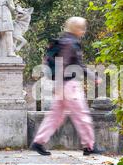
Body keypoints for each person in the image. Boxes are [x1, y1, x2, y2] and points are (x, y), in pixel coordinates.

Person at [30, 17, 105, 156]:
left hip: (63, 85)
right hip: (69, 86)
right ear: (76, 29)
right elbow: (62, 64)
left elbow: (77, 65)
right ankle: (89, 146)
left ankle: (38, 142)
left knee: (55, 116)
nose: (84, 31)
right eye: (82, 28)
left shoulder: (65, 41)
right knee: (82, 115)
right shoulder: (71, 44)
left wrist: (92, 77)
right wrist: (59, 85)